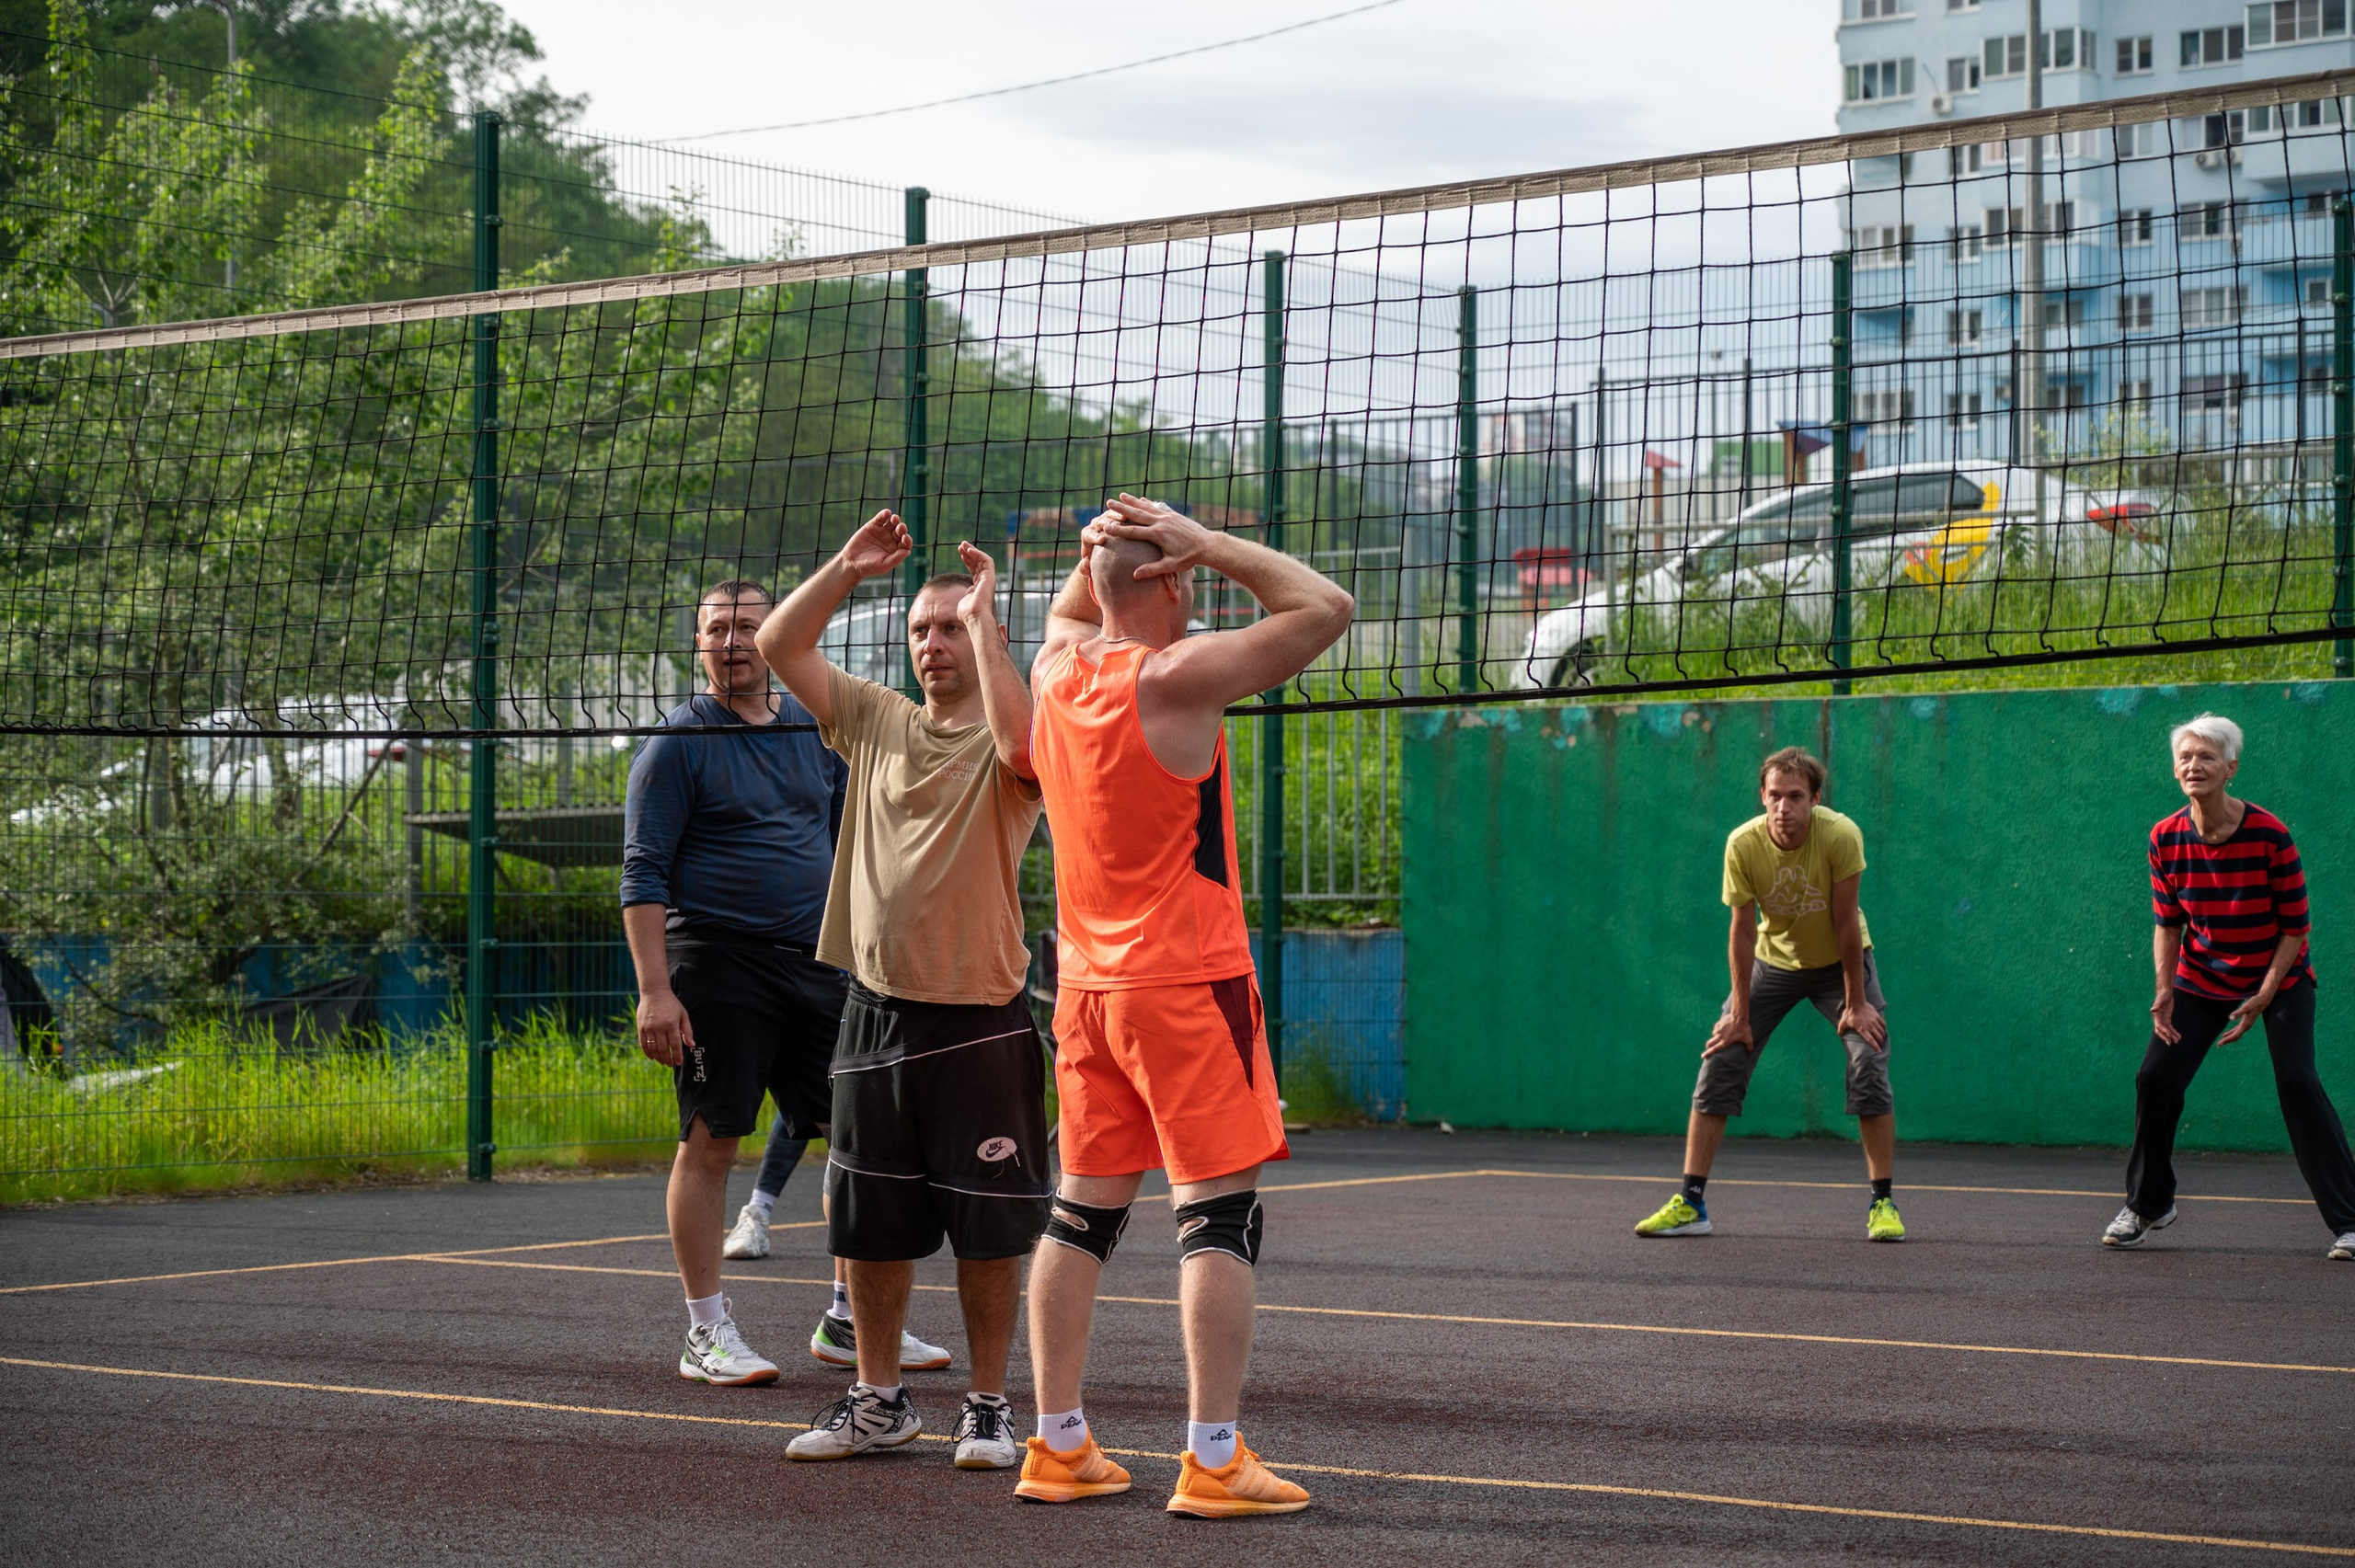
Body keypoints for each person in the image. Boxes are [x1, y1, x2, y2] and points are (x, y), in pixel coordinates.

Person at [1017, 494, 1352, 1519]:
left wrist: (1103, 553)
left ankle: (1058, 1443)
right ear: (1172, 579)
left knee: (1079, 1214)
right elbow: (1326, 606)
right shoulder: (1174, 677)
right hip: (1186, 986)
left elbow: (1072, 610)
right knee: (1217, 1218)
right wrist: (1206, 541)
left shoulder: (1057, 670)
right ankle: (1212, 1458)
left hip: (1087, 992)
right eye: (1187, 573)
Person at [754, 511, 1053, 1467]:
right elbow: (779, 644)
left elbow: (1026, 749)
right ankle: (878, 1400)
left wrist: (988, 616)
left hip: (979, 1020)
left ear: (986, 636)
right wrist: (848, 565)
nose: (933, 641)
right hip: (874, 1012)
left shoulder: (1010, 734)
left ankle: (989, 1406)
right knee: (871, 1226)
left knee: (988, 1230)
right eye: (922, 628)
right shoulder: (878, 718)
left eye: (952, 627)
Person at [621, 578, 847, 1387]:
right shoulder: (677, 742)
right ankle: (706, 1332)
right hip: (717, 964)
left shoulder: (814, 728)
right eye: (717, 628)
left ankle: (851, 1318)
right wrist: (656, 991)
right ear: (699, 643)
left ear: (774, 635)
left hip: (816, 963)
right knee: (712, 1141)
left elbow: (841, 847)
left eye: (748, 626)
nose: (732, 641)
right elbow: (642, 872)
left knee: (859, 1138)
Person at [2105, 713, 2355, 1261]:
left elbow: (2296, 927)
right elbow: (2168, 922)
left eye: (2207, 757)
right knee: (2155, 1078)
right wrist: (2165, 989)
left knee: (2297, 1081)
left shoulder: (2270, 834)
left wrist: (2265, 994)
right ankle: (2148, 1206)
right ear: (2175, 770)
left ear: (2230, 768)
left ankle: (2351, 1221)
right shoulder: (2165, 838)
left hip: (2280, 977)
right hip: (2201, 978)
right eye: (2185, 757)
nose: (2194, 765)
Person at [1634, 746, 1906, 1243]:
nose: (1784, 807)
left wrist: (1856, 1003)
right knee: (1721, 1057)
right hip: (1773, 962)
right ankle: (1691, 1203)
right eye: (1775, 796)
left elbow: (1846, 922)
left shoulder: (1840, 835)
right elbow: (1741, 931)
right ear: (1762, 796)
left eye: (1796, 796)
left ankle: (1882, 1203)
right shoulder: (1742, 844)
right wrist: (1739, 1013)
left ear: (1815, 799)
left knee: (1869, 1058)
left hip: (1840, 964)